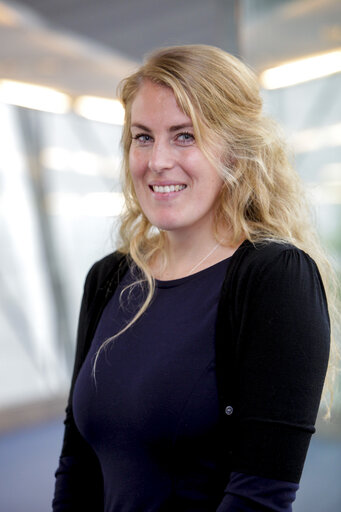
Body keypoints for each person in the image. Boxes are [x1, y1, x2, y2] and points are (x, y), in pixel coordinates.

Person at [52, 45, 336, 511]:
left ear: (238, 150)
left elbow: (258, 499)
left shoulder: (274, 279)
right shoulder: (107, 279)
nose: (157, 161)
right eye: (143, 137)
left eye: (185, 136)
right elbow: (77, 468)